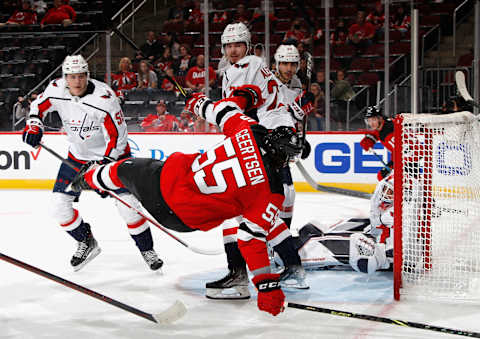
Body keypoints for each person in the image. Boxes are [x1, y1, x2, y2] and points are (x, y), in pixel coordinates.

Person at [70, 85, 302, 317]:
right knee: (241, 214)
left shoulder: (251, 129)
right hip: (181, 217)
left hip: (164, 179)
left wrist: (197, 102)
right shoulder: (271, 191)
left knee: (124, 169)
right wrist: (267, 286)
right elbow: (250, 239)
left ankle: (88, 178)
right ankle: (265, 270)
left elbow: (222, 110)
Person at [22, 55, 163, 272]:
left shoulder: (104, 98)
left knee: (129, 208)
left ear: (87, 76)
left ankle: (147, 249)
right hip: (77, 158)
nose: (76, 81)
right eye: (72, 77)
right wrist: (34, 125)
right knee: (59, 207)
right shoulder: (56, 89)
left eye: (81, 76)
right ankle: (86, 241)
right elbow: (37, 107)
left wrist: (100, 170)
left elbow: (118, 139)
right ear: (65, 78)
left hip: (113, 158)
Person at [209, 22, 310, 300]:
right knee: (253, 209)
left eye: (237, 45)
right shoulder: (236, 68)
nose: (232, 50)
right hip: (261, 140)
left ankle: (240, 274)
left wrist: (216, 110)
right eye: (228, 45)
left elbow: (249, 97)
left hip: (264, 141)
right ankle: (290, 266)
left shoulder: (250, 64)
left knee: (239, 207)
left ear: (248, 46)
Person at [286, 174, 394, 274]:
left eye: (390, 192)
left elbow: (392, 253)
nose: (384, 194)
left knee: (315, 242)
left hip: (380, 247)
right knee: (314, 228)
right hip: (378, 234)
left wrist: (383, 254)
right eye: (385, 190)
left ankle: (291, 253)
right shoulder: (391, 212)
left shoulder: (395, 216)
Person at [359, 106, 394, 181]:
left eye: (373, 120)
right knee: (382, 177)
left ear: (380, 118)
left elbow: (401, 151)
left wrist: (394, 165)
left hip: (410, 158)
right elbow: (376, 133)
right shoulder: (383, 124)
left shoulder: (389, 132)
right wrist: (369, 140)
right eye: (368, 120)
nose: (371, 123)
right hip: (400, 158)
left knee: (388, 179)